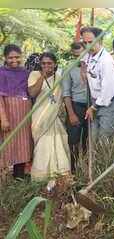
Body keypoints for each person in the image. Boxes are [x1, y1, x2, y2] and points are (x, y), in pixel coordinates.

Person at [28, 52, 70, 180]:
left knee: (58, 143)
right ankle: (41, 178)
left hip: (54, 117)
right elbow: (32, 93)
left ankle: (60, 176)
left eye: (49, 63)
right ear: (40, 65)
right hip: (40, 117)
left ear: (55, 64)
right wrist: (42, 76)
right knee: (42, 145)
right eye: (44, 63)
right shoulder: (35, 74)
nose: (47, 66)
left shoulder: (60, 77)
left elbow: (64, 96)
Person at [81, 26, 114, 142]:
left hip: (110, 102)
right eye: (85, 42)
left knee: (104, 142)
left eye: (91, 42)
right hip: (96, 101)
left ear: (99, 41)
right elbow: (84, 65)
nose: (87, 45)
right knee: (93, 139)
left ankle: (106, 161)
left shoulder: (106, 61)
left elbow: (107, 91)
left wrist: (93, 107)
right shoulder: (89, 55)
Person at [0, 44, 32, 180]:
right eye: (10, 58)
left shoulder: (25, 72)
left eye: (17, 57)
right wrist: (3, 118)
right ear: (4, 58)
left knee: (23, 145)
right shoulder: (1, 72)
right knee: (7, 144)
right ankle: (4, 178)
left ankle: (19, 178)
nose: (14, 60)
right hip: (8, 113)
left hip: (24, 114)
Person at [62, 42, 88, 174]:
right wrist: (71, 114)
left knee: (88, 141)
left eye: (81, 54)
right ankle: (73, 171)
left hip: (92, 107)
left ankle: (87, 171)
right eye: (76, 55)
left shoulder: (94, 66)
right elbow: (66, 93)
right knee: (73, 140)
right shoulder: (69, 68)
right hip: (76, 106)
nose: (79, 58)